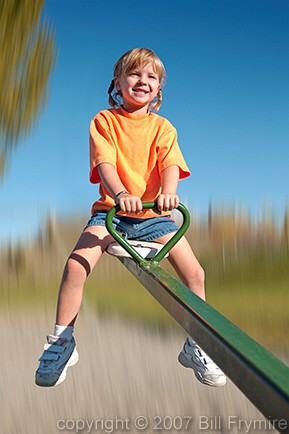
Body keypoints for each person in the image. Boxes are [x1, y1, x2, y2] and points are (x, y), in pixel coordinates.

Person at [35, 48, 226, 388]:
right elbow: (104, 163)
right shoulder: (104, 121)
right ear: (118, 83)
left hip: (156, 216)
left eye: (151, 77)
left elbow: (169, 163)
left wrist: (169, 192)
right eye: (135, 74)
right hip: (112, 215)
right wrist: (121, 193)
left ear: (159, 90)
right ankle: (62, 341)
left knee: (195, 273)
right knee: (75, 266)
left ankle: (197, 343)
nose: (143, 81)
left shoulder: (163, 127)